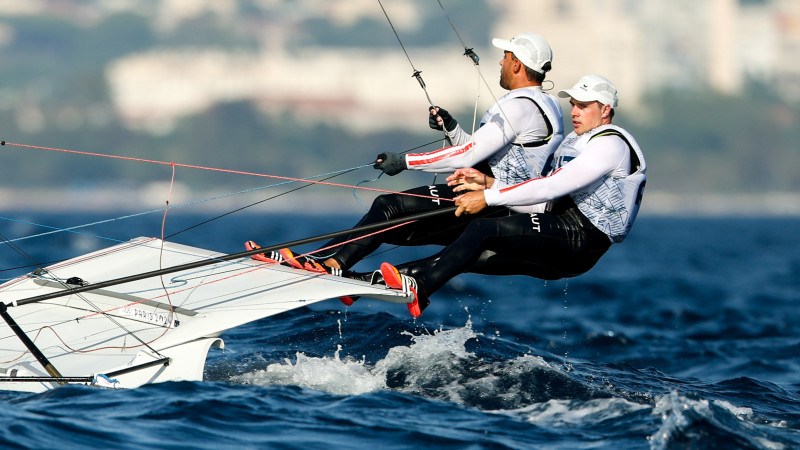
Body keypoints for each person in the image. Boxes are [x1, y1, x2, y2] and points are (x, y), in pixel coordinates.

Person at [246, 33, 564, 290]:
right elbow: (475, 149)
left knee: (390, 207)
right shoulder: (541, 105)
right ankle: (323, 262)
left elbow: (469, 157)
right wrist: (452, 129)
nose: (500, 61)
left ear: (518, 66)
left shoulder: (521, 106)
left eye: (506, 57)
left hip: (491, 202)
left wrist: (404, 161)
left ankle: (328, 264)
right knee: (391, 228)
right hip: (497, 199)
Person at [375, 74, 647, 316]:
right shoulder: (574, 143)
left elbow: (550, 186)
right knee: (471, 255)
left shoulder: (611, 144)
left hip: (583, 241)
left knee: (482, 228)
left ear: (606, 109)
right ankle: (374, 280)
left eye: (584, 106)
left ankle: (421, 289)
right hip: (563, 237)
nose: (575, 111)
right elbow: (543, 203)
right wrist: (489, 184)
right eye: (573, 104)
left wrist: (488, 198)